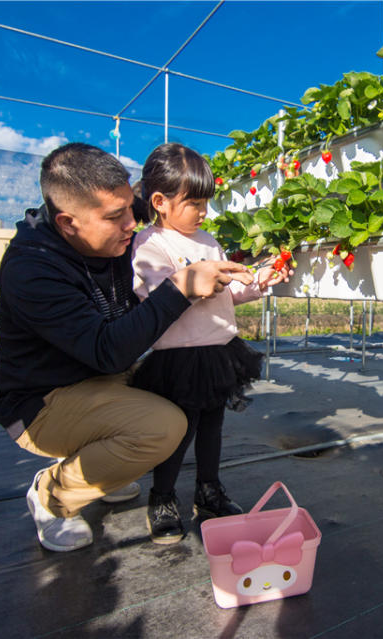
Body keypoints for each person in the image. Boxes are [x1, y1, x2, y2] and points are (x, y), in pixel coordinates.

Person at [0, 142, 252, 552]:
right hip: (45, 402)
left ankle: (103, 469)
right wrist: (180, 286)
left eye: (132, 207)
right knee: (164, 427)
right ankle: (51, 494)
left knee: (186, 390)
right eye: (116, 217)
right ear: (67, 223)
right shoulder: (32, 269)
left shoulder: (118, 226)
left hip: (104, 378)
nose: (133, 223)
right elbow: (106, 350)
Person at [129, 142, 290, 544]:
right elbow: (154, 295)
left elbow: (227, 294)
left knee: (213, 427)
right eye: (194, 202)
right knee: (178, 430)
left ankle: (209, 490)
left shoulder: (208, 239)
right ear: (160, 201)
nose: (203, 212)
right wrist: (198, 280)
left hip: (219, 349)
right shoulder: (151, 244)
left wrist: (255, 283)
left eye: (205, 202)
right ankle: (162, 498)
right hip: (179, 358)